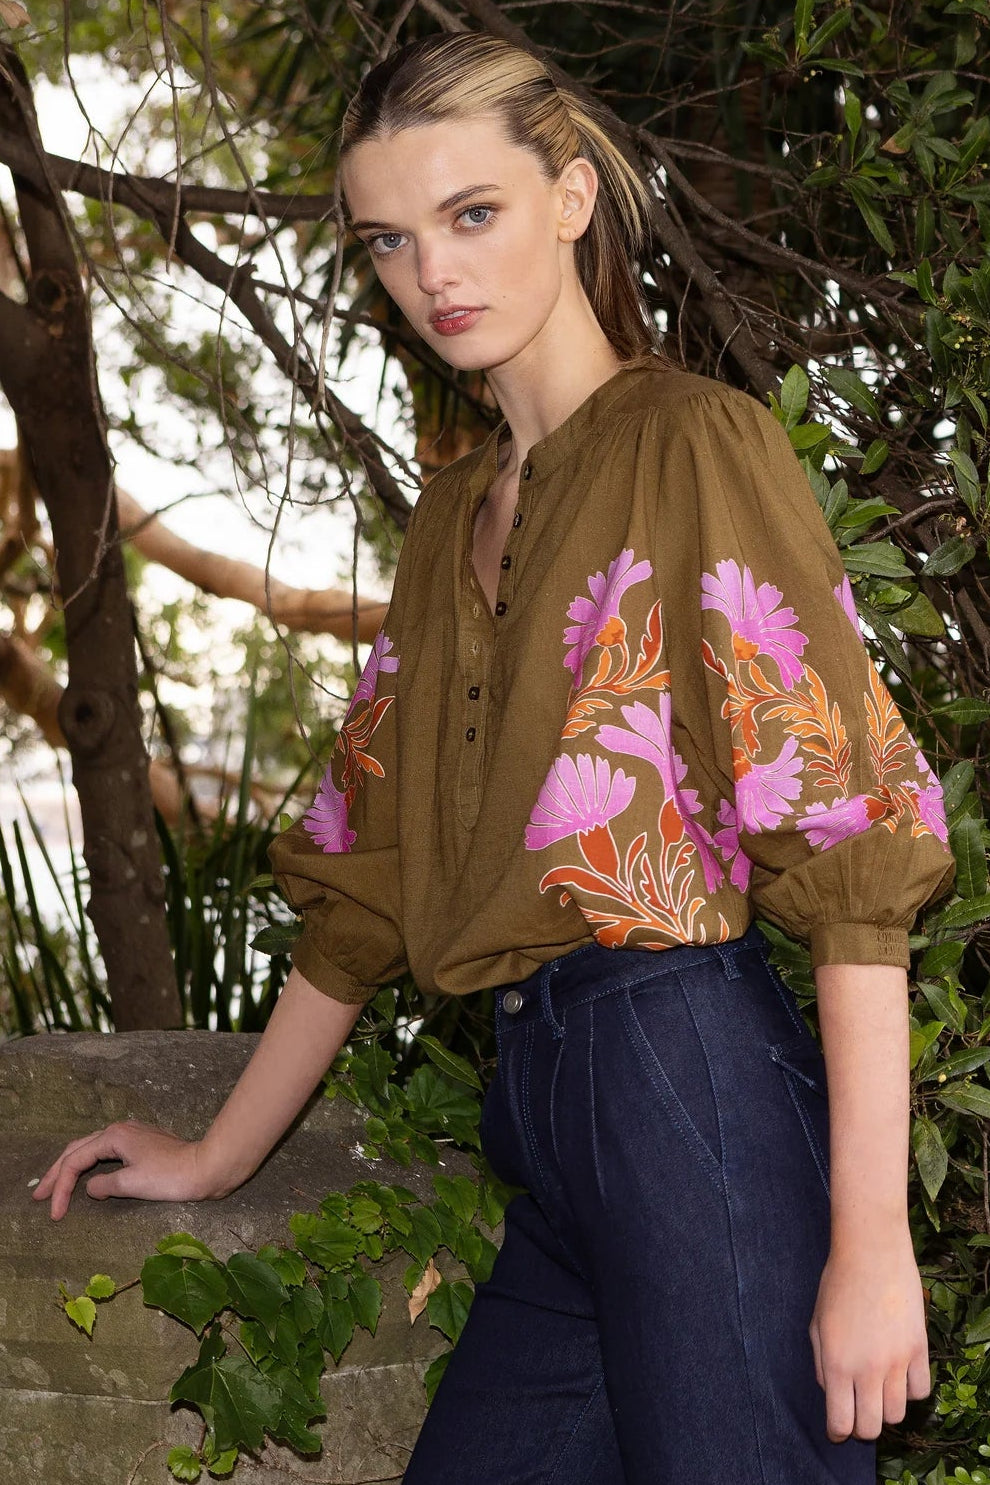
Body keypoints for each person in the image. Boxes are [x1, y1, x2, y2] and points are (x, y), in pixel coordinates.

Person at [34, 32, 955, 1485]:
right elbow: (367, 878)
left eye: (473, 215)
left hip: (682, 1077)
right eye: (390, 240)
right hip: (537, 1116)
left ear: (572, 199)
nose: (432, 275)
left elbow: (845, 847)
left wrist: (869, 1244)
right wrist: (218, 1155)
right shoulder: (447, 513)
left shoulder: (692, 444)